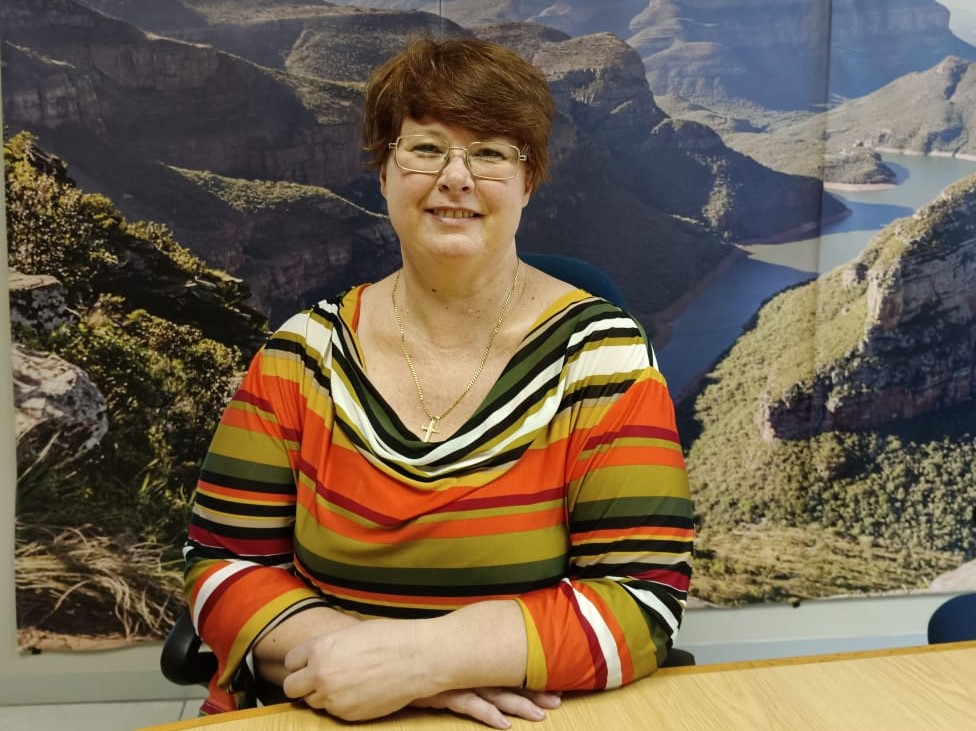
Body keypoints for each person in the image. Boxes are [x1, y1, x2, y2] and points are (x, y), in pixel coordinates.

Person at [184, 36, 694, 729]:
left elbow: (642, 597)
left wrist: (419, 663)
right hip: (315, 709)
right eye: (425, 149)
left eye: (490, 153)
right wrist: (351, 663)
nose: (456, 177)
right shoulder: (298, 358)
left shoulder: (603, 360)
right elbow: (221, 561)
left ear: (529, 180)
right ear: (383, 173)